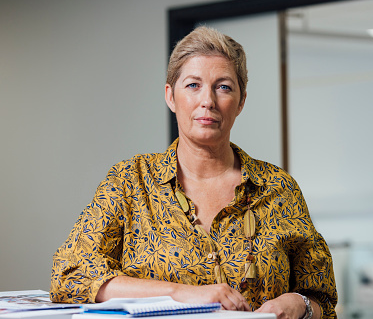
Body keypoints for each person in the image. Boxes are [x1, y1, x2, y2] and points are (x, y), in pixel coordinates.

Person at [50, 26, 338, 319]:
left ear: (241, 101)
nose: (208, 101)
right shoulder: (129, 181)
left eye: (223, 86)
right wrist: (181, 294)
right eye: (192, 85)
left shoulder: (279, 188)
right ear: (170, 96)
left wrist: (300, 305)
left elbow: (322, 300)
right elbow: (70, 275)